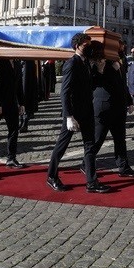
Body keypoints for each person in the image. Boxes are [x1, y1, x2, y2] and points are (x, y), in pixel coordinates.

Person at [46, 33, 109, 193]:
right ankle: (51, 176)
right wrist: (68, 116)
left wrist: (100, 71)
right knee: (62, 145)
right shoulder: (72, 63)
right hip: (74, 113)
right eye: (85, 45)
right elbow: (64, 92)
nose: (88, 48)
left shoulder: (86, 63)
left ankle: (91, 182)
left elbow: (91, 85)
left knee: (90, 145)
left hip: (87, 110)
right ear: (77, 46)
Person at [89, 42, 134, 177]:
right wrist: (101, 68)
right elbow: (93, 82)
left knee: (120, 140)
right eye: (118, 47)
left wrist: (129, 102)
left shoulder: (119, 63)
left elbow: (123, 84)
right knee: (97, 140)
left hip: (118, 107)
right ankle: (86, 164)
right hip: (104, 107)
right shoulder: (97, 63)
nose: (121, 49)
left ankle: (123, 167)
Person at [0, 57, 25, 168]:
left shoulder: (17, 63)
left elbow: (18, 85)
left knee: (14, 131)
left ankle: (11, 158)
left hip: (11, 103)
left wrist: (21, 103)